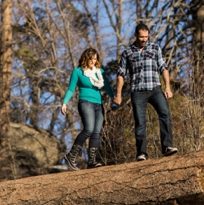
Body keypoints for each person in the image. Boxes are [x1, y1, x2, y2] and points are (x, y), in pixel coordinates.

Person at [113, 23, 178, 161]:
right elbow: (121, 74)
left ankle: (167, 147)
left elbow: (163, 67)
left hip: (155, 88)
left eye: (146, 37)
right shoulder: (127, 53)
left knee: (165, 113)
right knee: (140, 122)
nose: (144, 39)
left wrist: (167, 87)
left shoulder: (155, 48)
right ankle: (141, 153)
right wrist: (118, 94)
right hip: (137, 91)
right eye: (141, 37)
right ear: (136, 35)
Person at [61, 48, 114, 170]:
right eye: (91, 58)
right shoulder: (78, 71)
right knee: (89, 129)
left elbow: (106, 86)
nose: (93, 61)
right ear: (86, 58)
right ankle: (71, 156)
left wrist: (114, 97)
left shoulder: (100, 72)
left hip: (98, 104)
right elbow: (71, 89)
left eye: (95, 59)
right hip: (85, 103)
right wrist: (64, 103)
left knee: (96, 132)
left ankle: (92, 161)